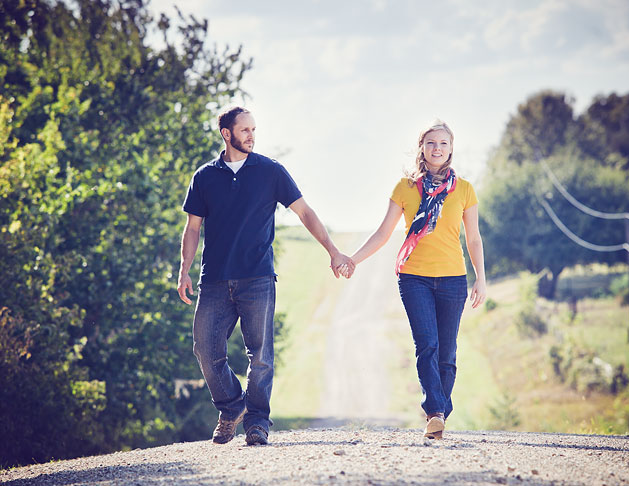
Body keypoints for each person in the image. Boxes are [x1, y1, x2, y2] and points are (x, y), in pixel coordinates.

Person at [177, 106, 354, 446]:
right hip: (213, 279)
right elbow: (192, 227)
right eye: (244, 130)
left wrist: (333, 251)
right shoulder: (204, 177)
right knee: (204, 348)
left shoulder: (271, 171)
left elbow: (305, 212)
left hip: (256, 277)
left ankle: (257, 423)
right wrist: (184, 270)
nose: (251, 136)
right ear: (226, 134)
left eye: (254, 130)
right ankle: (232, 406)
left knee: (259, 355)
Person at [339, 120, 486, 439]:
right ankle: (435, 411)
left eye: (444, 143)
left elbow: (473, 239)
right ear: (422, 147)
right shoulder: (405, 188)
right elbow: (383, 233)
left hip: (453, 280)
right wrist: (353, 259)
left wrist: (481, 279)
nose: (437, 149)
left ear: (451, 148)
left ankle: (440, 412)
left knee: (447, 352)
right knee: (427, 345)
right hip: (414, 278)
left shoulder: (464, 189)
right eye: (431, 143)